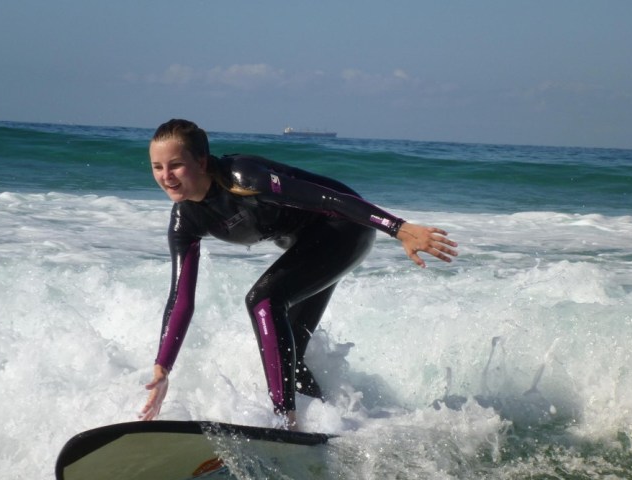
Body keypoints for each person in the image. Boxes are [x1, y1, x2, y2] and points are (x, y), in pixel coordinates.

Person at [140, 119, 458, 429]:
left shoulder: (244, 177)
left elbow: (331, 200)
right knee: (288, 355)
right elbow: (181, 297)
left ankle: (286, 422)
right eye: (157, 167)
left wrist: (397, 227)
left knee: (262, 300)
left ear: (201, 160)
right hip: (310, 245)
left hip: (344, 230)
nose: (165, 176)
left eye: (175, 165)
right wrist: (163, 367)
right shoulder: (186, 219)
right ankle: (331, 425)